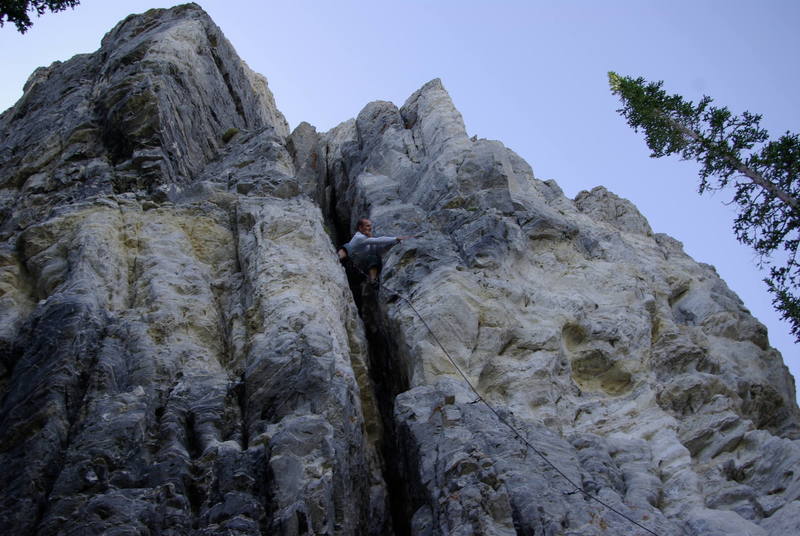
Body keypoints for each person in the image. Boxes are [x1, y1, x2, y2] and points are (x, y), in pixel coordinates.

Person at [338, 218, 412, 283]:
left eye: (370, 226)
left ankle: (373, 280)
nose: (370, 228)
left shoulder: (368, 240)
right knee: (347, 246)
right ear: (360, 228)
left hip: (358, 270)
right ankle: (337, 258)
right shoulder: (359, 237)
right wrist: (395, 239)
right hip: (348, 264)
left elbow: (378, 251)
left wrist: (394, 243)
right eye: (367, 226)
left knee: (373, 257)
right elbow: (379, 240)